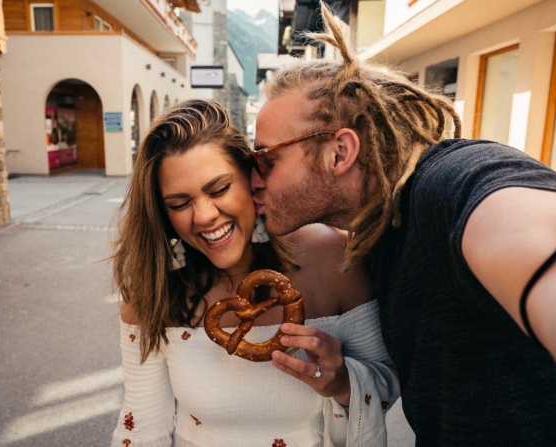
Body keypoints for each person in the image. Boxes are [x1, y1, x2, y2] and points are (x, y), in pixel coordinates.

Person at [250, 5, 556, 447]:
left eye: (266, 159)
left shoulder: (448, 186)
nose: (253, 179)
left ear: (340, 153)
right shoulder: (380, 232)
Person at [109, 99, 400, 447]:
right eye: (179, 203)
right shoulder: (153, 291)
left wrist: (343, 384)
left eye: (219, 189)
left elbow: (391, 387)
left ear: (252, 179)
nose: (203, 216)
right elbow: (141, 427)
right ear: (162, 214)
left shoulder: (334, 258)